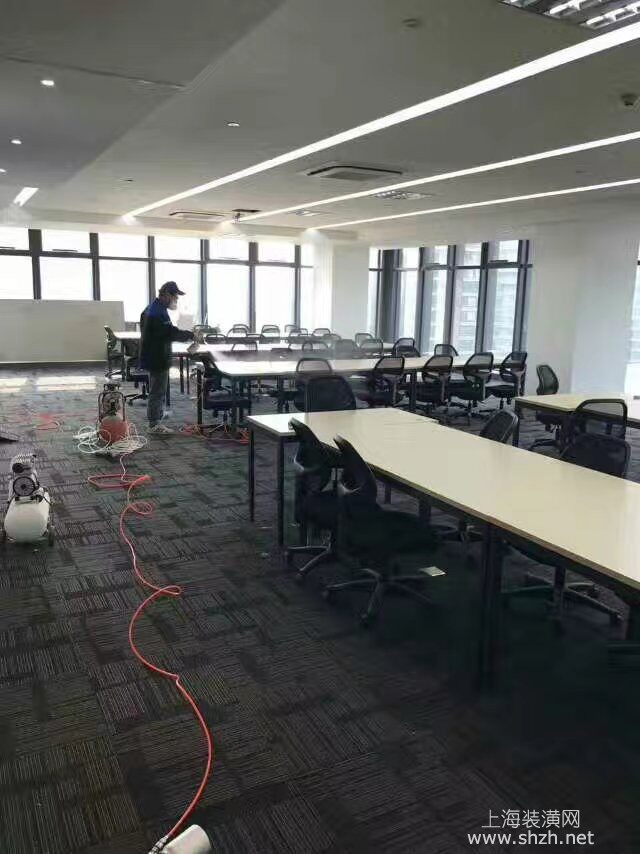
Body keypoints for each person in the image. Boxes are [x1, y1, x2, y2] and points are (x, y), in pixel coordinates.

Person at [140, 281, 194, 434]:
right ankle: (154, 424)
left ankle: (157, 415)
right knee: (157, 390)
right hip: (156, 357)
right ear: (167, 294)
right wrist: (190, 335)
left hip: (156, 354)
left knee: (159, 389)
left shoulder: (156, 308)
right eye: (175, 296)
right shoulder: (157, 312)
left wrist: (186, 334)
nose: (176, 300)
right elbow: (170, 332)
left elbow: (166, 331)